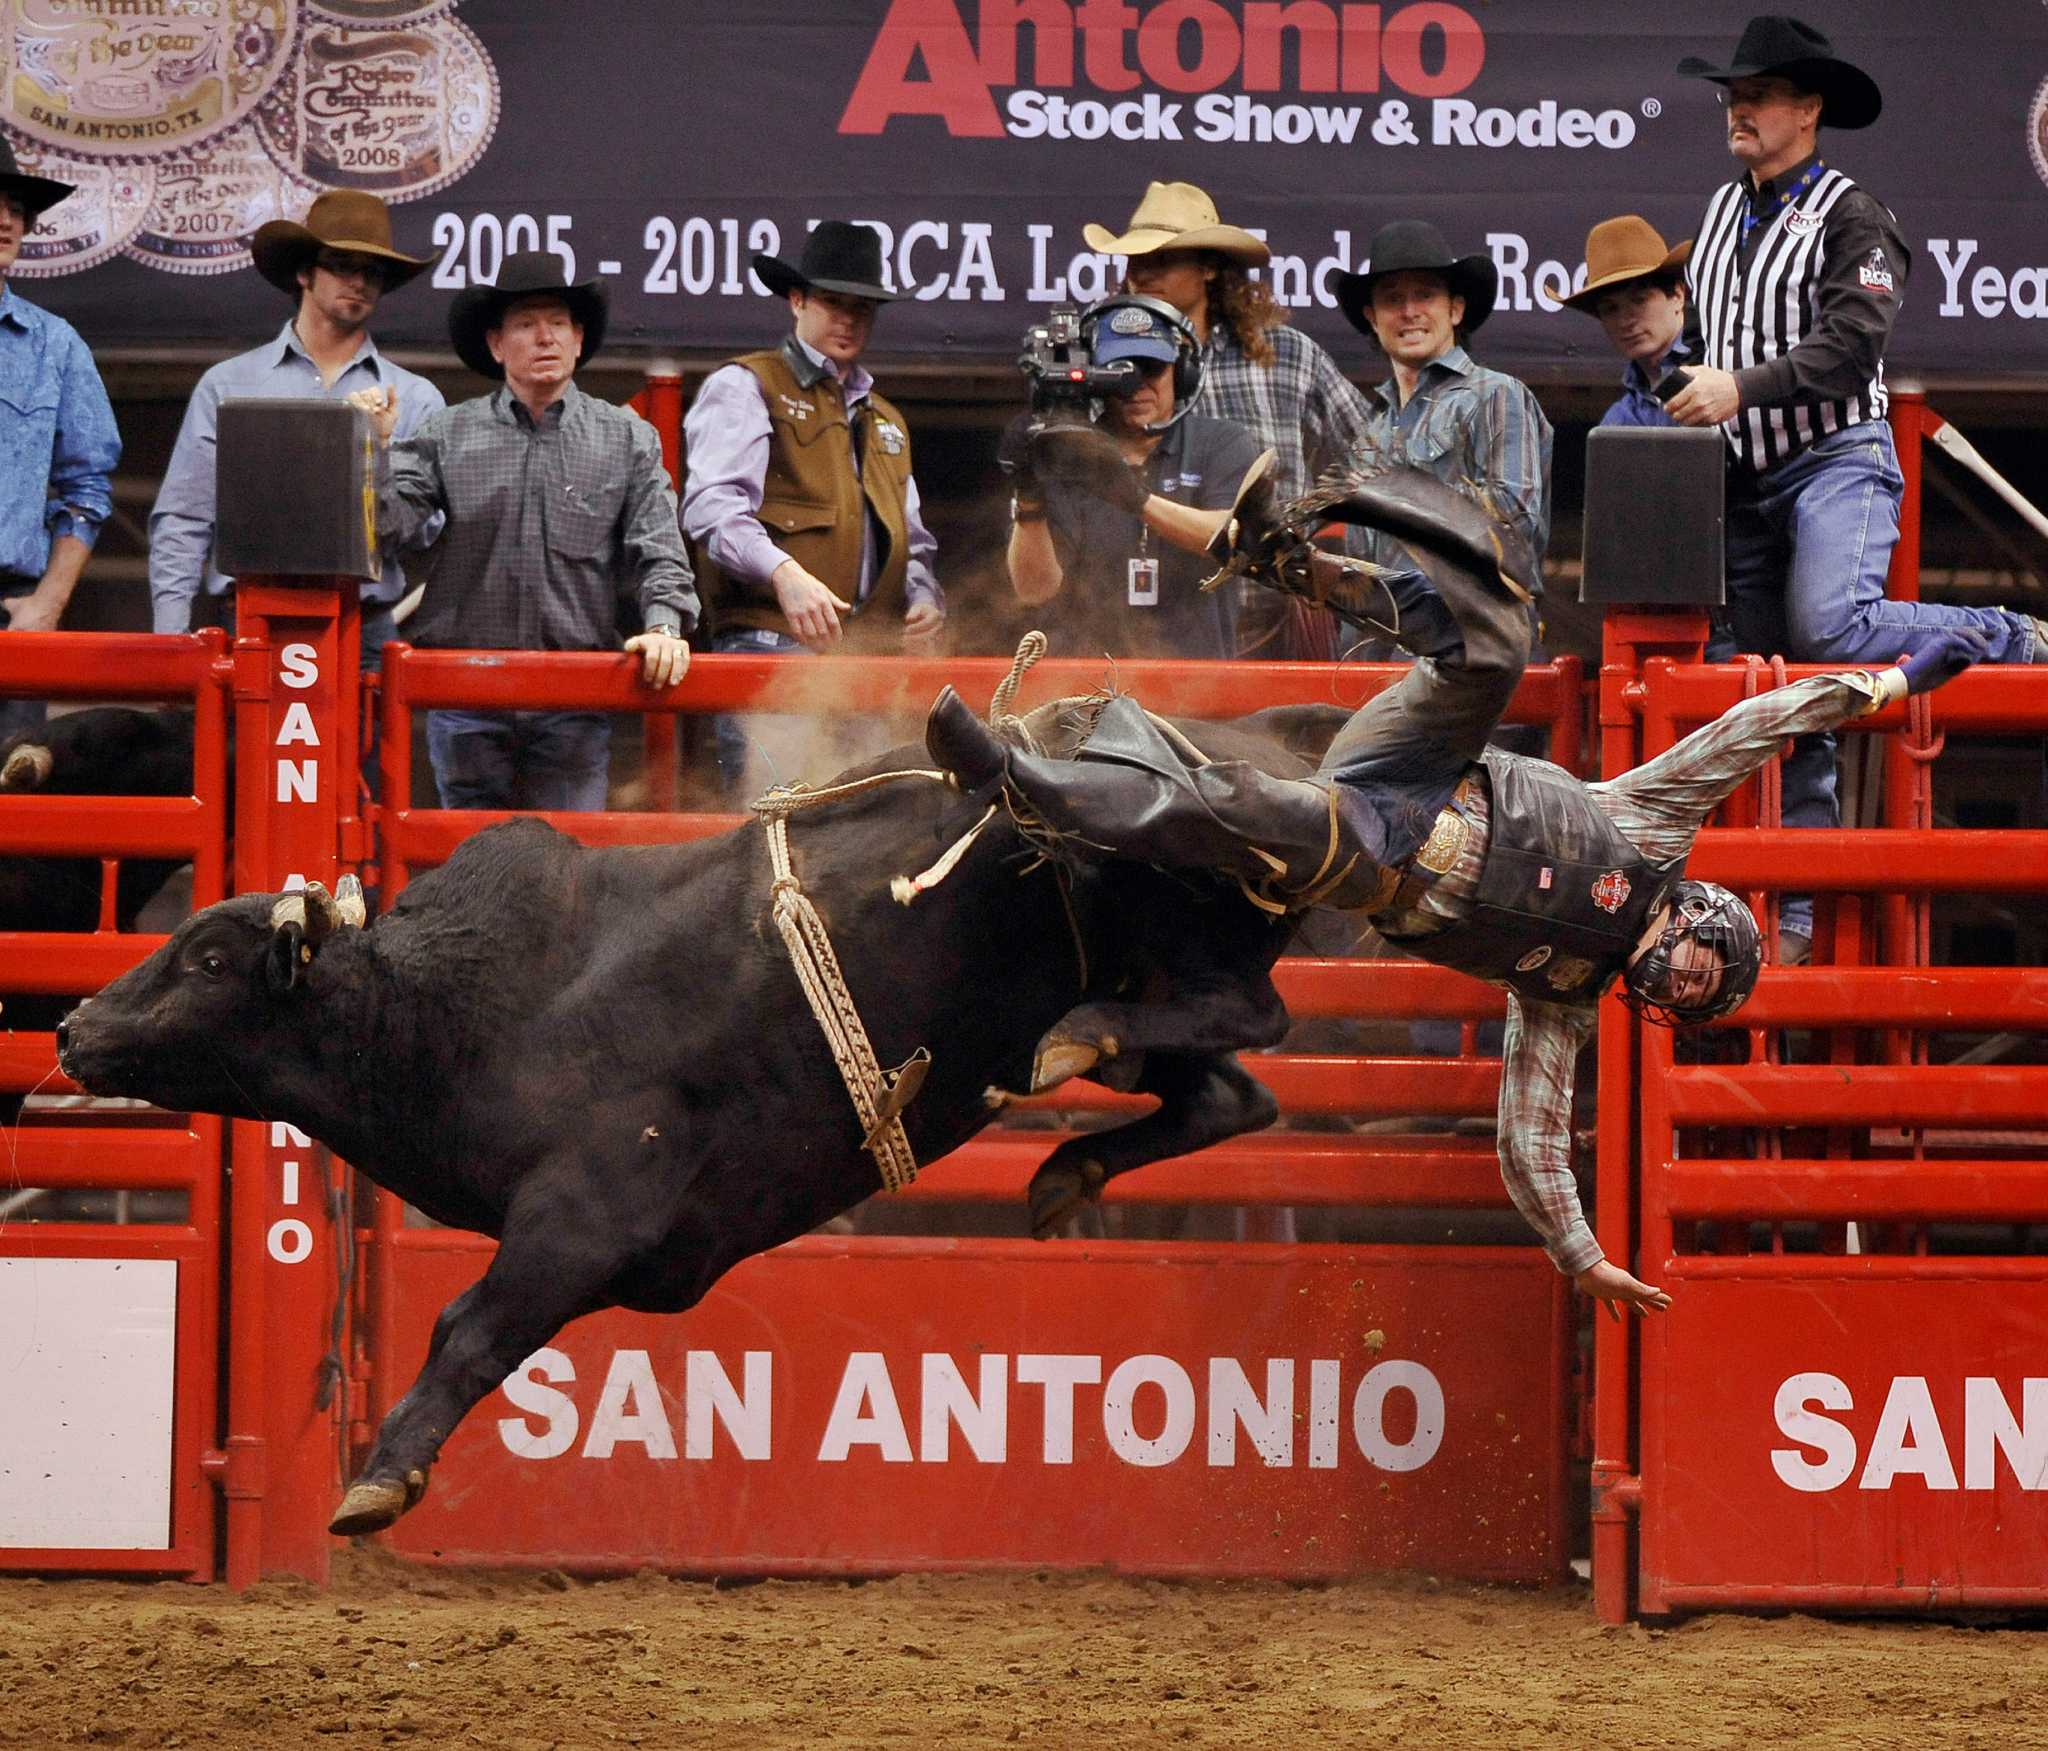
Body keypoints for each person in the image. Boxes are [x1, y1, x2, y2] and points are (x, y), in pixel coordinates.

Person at [923, 465, 1989, 1310]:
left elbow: (1527, 1139)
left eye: (1691, 999)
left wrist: (1579, 1256)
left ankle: (1024, 778)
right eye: (1703, 971)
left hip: (1368, 854)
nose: (1679, 984)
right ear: (1707, 917)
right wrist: (1885, 681)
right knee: (1490, 646)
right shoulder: (1652, 825)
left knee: (1292, 822)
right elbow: (1754, 725)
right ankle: (1280, 553)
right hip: (1425, 764)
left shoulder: (1561, 995)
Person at [1668, 14, 2047, 958]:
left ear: (1808, 109)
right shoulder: (1722, 212)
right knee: (1772, 688)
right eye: (1732, 95)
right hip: (1747, 475)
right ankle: (1786, 914)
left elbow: (1849, 349)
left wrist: (1735, 387)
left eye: (1757, 96)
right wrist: (1684, 383)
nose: (1738, 110)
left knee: (1828, 627)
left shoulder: (1854, 214)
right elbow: (1707, 340)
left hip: (1837, 456)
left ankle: (2012, 633)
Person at [366, 252, 695, 812]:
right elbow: (390, 529)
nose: (544, 337)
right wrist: (373, 449)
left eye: (558, 323)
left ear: (578, 338)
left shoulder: (626, 438)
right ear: (497, 345)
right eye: (525, 324)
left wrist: (664, 625)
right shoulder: (448, 433)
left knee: (563, 873)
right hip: (467, 694)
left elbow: (660, 551)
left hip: (574, 696)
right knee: (471, 873)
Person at [681, 221, 942, 797]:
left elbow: (915, 541)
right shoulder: (746, 385)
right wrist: (785, 575)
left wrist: (924, 599)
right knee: (771, 838)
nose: (849, 318)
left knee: (861, 848)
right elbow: (712, 507)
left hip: (867, 665)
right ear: (796, 300)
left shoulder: (888, 422)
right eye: (833, 302)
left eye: (863, 306)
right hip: (771, 649)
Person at [1084, 181, 1373, 658]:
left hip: (1274, 617)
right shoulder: (1099, 361)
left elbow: (1373, 463)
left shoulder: (1287, 357)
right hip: (1142, 626)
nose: (1144, 271)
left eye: (1164, 257)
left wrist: (1328, 547)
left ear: (1210, 267)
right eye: (1136, 259)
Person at [149, 189, 443, 658]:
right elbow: (185, 516)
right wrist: (169, 640)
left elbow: (425, 532)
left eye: (374, 272)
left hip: (361, 626)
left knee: (364, 735)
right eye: (343, 264)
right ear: (304, 272)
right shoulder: (228, 385)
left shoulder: (413, 397)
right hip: (250, 620)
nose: (360, 281)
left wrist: (380, 460)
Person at [1003, 296, 1263, 659]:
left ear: (1182, 371)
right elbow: (1034, 590)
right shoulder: (1065, 453)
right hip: (1088, 689)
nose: (1137, 386)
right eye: (1122, 370)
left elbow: (1230, 541)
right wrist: (1028, 496)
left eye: (1151, 368)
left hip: (1199, 687)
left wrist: (1136, 500)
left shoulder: (1222, 444)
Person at [1332, 220, 1552, 642]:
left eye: (1424, 294)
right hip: (1374, 649)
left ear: (1455, 309)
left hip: (1471, 646)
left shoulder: (1496, 395)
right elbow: (1359, 560)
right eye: (1392, 299)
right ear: (1372, 318)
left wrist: (1400, 501)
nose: (1409, 311)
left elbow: (1511, 524)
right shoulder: (1370, 427)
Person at [0, 138, 120, 740]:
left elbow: (88, 486)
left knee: (8, 815)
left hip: (11, 610)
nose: (5, 219)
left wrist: (47, 605)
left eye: (16, 208)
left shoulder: (54, 343)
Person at [1563, 215, 1697, 429]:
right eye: (1610, 309)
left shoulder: (1722, 359)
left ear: (1678, 296)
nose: (1625, 321)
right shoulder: (1619, 420)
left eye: (1639, 300)